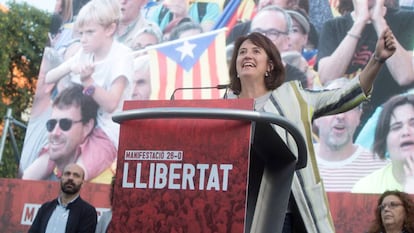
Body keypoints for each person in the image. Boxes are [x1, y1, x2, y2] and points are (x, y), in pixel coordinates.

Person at [226, 24, 395, 232]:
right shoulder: (224, 107)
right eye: (242, 52)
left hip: (287, 214)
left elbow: (345, 96)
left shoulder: (294, 97)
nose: (247, 56)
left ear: (270, 66)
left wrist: (377, 59)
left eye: (255, 51)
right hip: (240, 214)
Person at [45, 0, 134, 149]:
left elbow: (111, 105)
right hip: (78, 126)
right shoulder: (84, 52)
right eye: (81, 33)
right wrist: (70, 67)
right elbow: (49, 77)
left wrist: (88, 81)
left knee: (78, 167)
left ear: (110, 29)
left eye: (90, 32)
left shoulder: (122, 55)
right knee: (48, 156)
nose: (83, 39)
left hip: (108, 131)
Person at [316, 0, 414, 133]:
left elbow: (405, 76)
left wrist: (379, 21)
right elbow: (327, 78)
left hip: (391, 123)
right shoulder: (333, 26)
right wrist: (360, 22)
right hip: (344, 123)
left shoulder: (407, 19)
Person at [22, 84, 116, 183]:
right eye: (51, 124)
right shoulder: (50, 166)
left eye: (65, 124)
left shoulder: (105, 184)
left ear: (87, 127)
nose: (55, 132)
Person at [313, 78, 389, 192]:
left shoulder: (381, 169)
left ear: (359, 116)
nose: (341, 116)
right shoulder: (295, 166)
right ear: (316, 117)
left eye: (350, 106)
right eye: (333, 106)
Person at [352, 94, 414, 194]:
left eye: (413, 124)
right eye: (396, 127)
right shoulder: (366, 189)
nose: (406, 132)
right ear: (384, 142)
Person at [28, 163, 97, 233]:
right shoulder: (45, 208)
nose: (70, 178)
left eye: (76, 175)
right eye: (67, 174)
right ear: (61, 178)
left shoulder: (88, 212)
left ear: (83, 183)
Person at [250, 5, 308, 87]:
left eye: (272, 33)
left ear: (286, 41)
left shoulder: (295, 80)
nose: (262, 38)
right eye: (257, 32)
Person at [146, 0, 221, 32]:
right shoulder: (159, 12)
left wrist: (184, 16)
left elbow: (206, 37)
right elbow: (150, 42)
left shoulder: (209, 8)